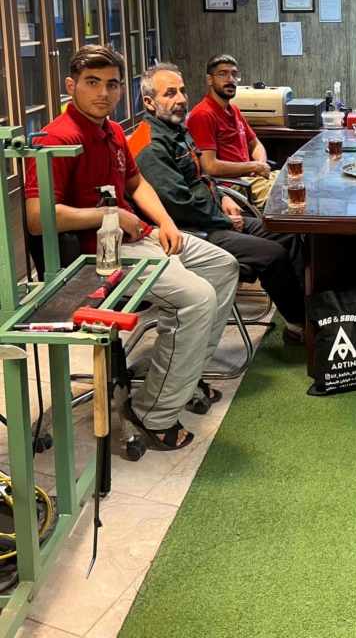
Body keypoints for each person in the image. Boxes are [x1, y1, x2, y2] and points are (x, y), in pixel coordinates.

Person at [24, 46, 240, 451]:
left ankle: (183, 377)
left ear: (121, 90)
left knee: (223, 266)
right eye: (92, 83)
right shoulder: (58, 138)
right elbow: (38, 217)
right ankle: (154, 411)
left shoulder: (111, 131)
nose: (102, 92)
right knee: (197, 297)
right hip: (97, 256)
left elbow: (136, 184)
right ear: (71, 86)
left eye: (111, 84)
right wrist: (110, 215)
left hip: (138, 236)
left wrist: (166, 222)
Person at [135, 63, 306, 346]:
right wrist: (225, 221)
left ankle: (306, 314)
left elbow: (203, 175)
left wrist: (223, 196)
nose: (181, 99)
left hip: (214, 216)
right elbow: (179, 204)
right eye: (170, 93)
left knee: (289, 234)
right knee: (273, 254)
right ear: (150, 102)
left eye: (182, 91)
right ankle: (299, 325)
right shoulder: (151, 144)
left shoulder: (176, 130)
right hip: (194, 230)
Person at [186, 54, 278, 209]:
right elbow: (210, 167)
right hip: (233, 186)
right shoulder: (203, 114)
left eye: (234, 74)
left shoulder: (233, 109)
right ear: (209, 80)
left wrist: (260, 165)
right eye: (223, 74)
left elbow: (256, 145)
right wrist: (253, 167)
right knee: (290, 195)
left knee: (297, 179)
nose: (230, 80)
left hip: (251, 179)